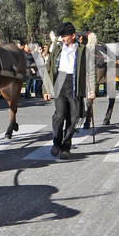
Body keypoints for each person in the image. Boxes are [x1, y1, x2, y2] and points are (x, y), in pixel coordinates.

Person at [44, 22, 96, 159]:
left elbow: (90, 71)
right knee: (59, 115)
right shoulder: (57, 48)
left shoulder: (83, 50)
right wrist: (46, 89)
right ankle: (56, 142)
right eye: (61, 36)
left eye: (65, 36)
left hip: (75, 83)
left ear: (73, 36)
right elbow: (48, 67)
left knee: (73, 118)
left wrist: (92, 90)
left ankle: (66, 146)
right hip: (59, 80)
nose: (62, 39)